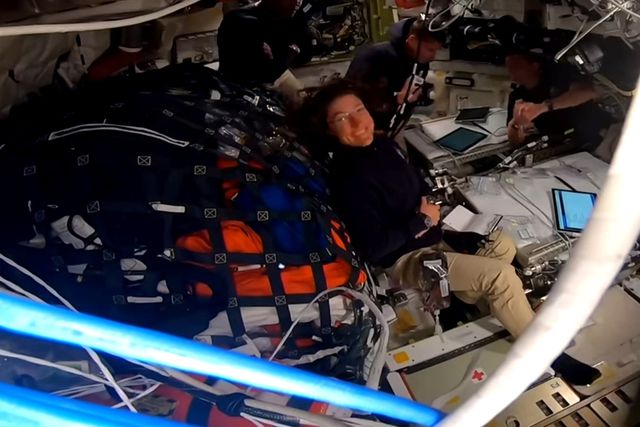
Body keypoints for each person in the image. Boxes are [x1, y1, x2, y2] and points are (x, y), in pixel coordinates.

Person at [296, 79, 602, 386]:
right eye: (342, 118)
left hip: (433, 237)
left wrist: (441, 217)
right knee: (502, 277)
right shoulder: (348, 178)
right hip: (406, 258)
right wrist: (422, 222)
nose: (357, 122)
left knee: (503, 243)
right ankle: (548, 354)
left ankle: (480, 300)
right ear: (329, 130)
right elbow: (373, 249)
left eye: (359, 109)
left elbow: (418, 185)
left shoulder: (384, 145)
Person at [345, 17, 445, 130]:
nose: (433, 56)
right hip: (362, 129)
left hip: (393, 126)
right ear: (412, 41)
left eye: (436, 50)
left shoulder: (418, 62)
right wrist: (396, 99)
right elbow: (352, 98)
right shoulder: (373, 57)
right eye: (430, 50)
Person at [505, 52, 612, 148]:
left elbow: (588, 91)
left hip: (596, 134)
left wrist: (543, 107)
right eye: (508, 67)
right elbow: (515, 142)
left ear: (535, 66)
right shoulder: (517, 96)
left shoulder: (557, 77)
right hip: (560, 146)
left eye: (516, 66)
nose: (511, 71)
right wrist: (516, 124)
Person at [216, 0, 310, 104]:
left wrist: (285, 55)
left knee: (306, 103)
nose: (298, 2)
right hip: (242, 85)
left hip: (276, 72)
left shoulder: (289, 16)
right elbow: (266, 73)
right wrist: (289, 55)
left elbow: (305, 51)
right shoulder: (240, 21)